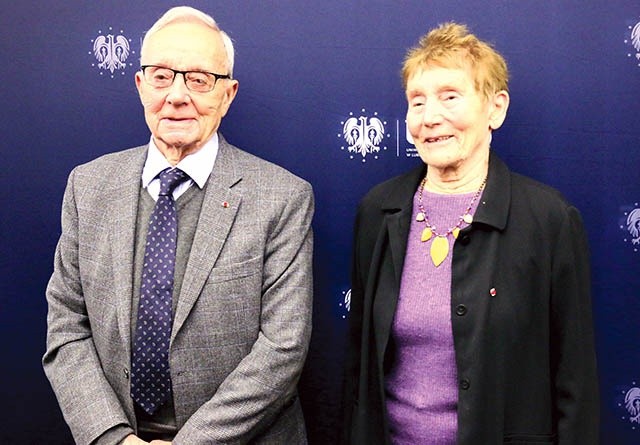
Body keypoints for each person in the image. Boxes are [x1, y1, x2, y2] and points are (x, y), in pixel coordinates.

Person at [43, 6, 313, 445]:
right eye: (162, 75)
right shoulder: (87, 187)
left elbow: (282, 350)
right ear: (140, 85)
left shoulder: (282, 197)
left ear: (228, 94)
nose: (177, 95)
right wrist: (114, 437)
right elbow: (67, 328)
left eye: (199, 79)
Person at [342, 22, 598, 444]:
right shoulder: (379, 211)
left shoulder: (549, 219)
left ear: (495, 109)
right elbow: (359, 367)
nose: (430, 117)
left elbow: (575, 380)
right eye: (417, 101)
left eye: (449, 97)